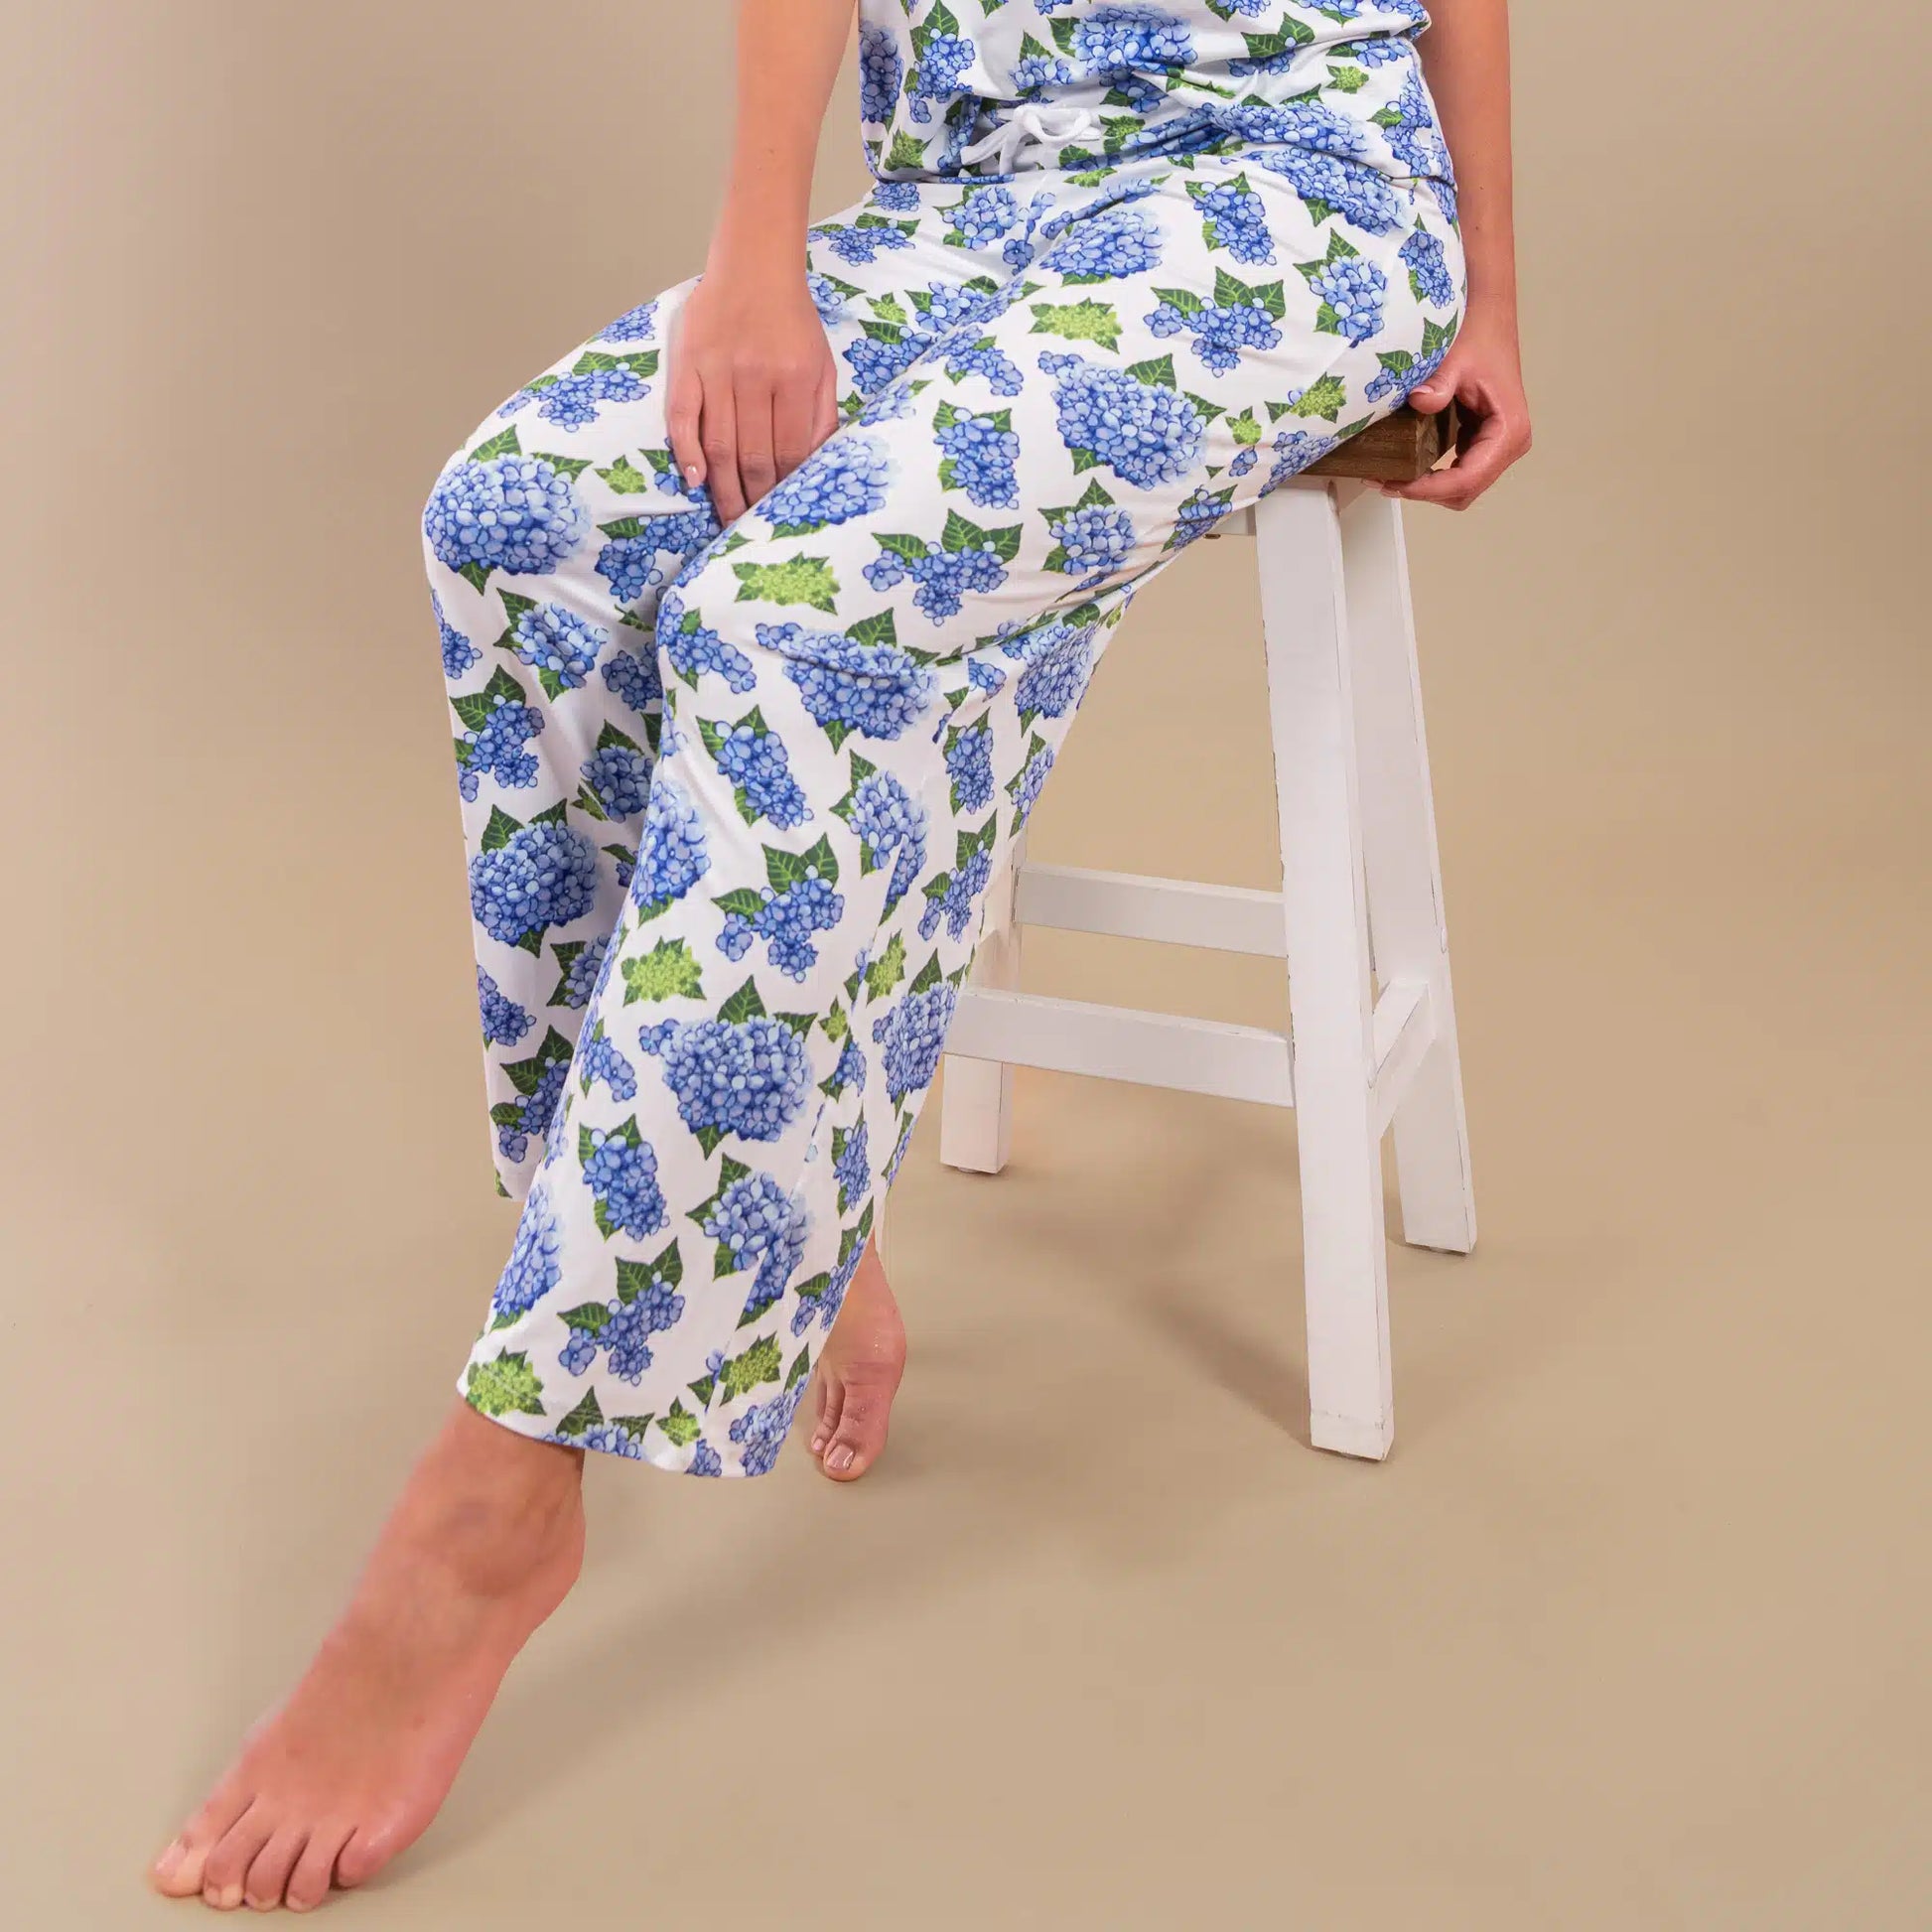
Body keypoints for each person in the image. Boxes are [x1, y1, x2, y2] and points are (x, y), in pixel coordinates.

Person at [152, 0, 1529, 1909]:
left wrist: (1495, 290)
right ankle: (795, 1215)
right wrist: (757, 256)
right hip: (973, 189)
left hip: (1289, 201)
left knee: (801, 617)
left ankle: (500, 1491)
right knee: (522, 520)